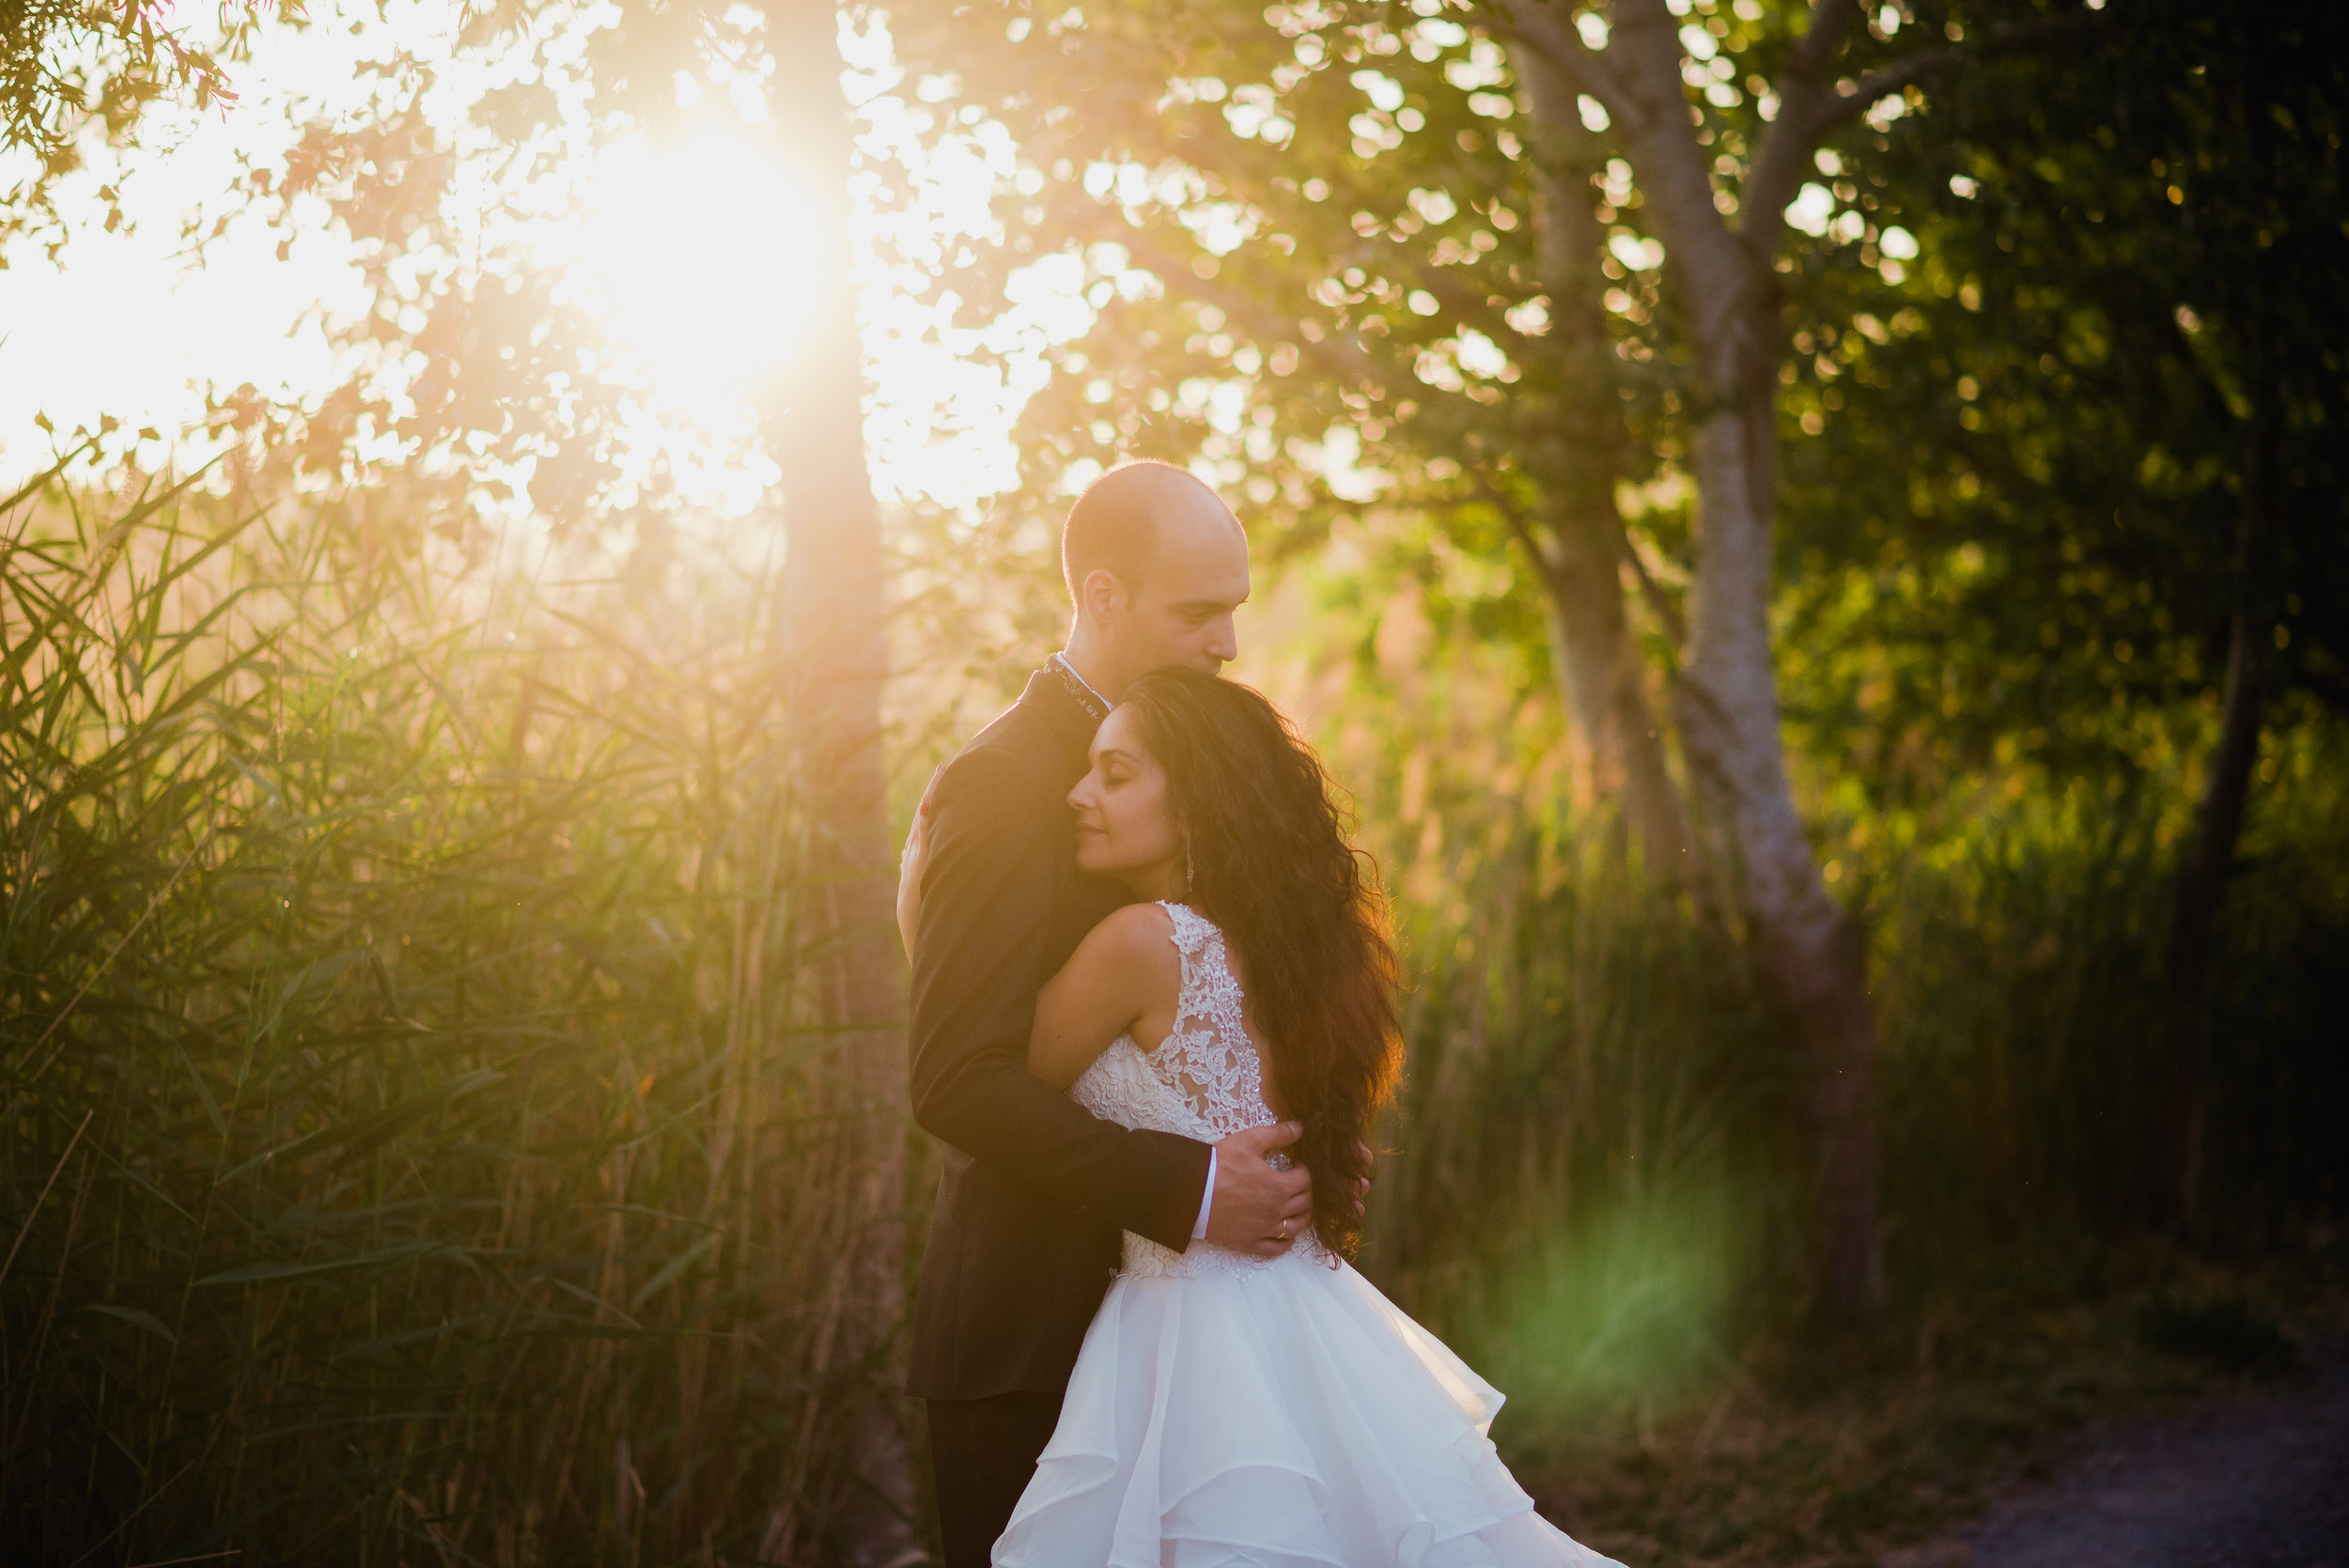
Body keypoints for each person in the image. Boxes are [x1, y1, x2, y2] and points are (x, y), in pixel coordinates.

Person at [899, 667, 1622, 1563]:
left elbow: (988, 1062)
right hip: (1299, 1305)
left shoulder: (1140, 944)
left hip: (1186, 1326)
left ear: (1195, 802)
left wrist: (916, 908)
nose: (1079, 796)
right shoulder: (1285, 947)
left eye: (1116, 775)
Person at [905, 462, 1321, 1564]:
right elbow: (954, 1076)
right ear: (1102, 596)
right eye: (1199, 611)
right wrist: (1190, 1189)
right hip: (1034, 1335)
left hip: (1199, 1329)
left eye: (1233, 608)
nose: (1227, 640)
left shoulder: (1198, 761)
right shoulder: (1004, 783)